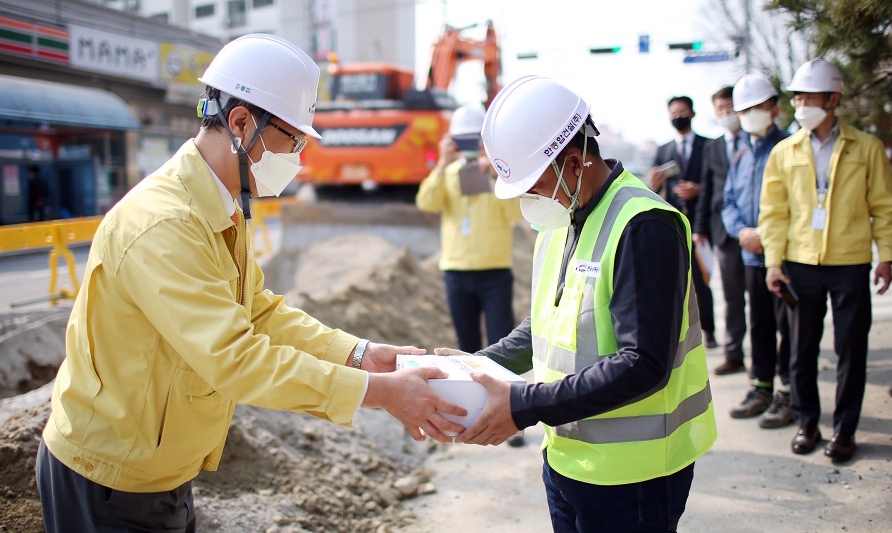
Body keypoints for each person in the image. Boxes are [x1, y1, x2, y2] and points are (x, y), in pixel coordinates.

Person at [35, 34, 466, 532]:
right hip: (107, 478)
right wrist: (379, 392)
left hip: (155, 470)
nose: (299, 157)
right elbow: (235, 359)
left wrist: (361, 354)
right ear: (241, 124)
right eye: (292, 140)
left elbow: (258, 310)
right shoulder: (165, 223)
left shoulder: (218, 205)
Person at [449, 75, 717, 532]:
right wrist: (477, 367)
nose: (529, 200)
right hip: (567, 459)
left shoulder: (644, 225)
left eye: (533, 186)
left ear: (574, 163)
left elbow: (643, 363)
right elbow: (545, 325)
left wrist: (523, 405)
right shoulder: (562, 219)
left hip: (635, 476)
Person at [760, 58, 892, 462]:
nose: (801, 104)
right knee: (801, 349)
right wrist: (773, 262)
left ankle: (845, 431)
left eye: (809, 96)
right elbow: (774, 211)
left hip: (850, 263)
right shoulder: (784, 152)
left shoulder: (866, 147)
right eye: (797, 96)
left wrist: (886, 257)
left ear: (833, 99)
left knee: (852, 347)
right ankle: (807, 422)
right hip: (800, 264)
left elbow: (884, 206)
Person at [415, 103, 522, 354]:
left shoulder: (500, 176)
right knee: (467, 347)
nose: (469, 146)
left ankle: (502, 392)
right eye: (461, 140)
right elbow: (426, 203)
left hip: (495, 271)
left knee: (500, 346)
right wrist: (442, 163)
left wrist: (497, 176)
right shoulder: (448, 174)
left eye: (474, 139)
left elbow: (516, 214)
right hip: (456, 271)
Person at [721, 73, 792, 428]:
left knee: (789, 325)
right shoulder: (741, 153)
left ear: (774, 108)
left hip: (784, 254)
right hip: (751, 252)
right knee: (760, 323)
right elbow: (729, 200)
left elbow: (800, 204)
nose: (750, 114)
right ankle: (761, 386)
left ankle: (790, 392)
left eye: (757, 107)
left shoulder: (791, 147)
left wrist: (770, 234)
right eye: (744, 109)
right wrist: (742, 232)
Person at [647, 96, 718, 349]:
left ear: (692, 113)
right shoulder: (663, 150)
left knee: (702, 279)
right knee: (677, 280)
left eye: (682, 111)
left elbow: (715, 181)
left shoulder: (708, 146)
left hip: (702, 223)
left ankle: (709, 329)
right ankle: (681, 331)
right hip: (675, 224)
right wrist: (654, 183)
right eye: (674, 112)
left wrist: (698, 190)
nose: (678, 116)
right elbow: (654, 189)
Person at [694, 87, 748, 375]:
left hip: (758, 230)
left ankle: (776, 355)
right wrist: (700, 228)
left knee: (766, 296)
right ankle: (734, 351)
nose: (726, 112)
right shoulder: (713, 147)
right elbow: (707, 189)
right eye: (720, 108)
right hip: (724, 233)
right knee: (732, 295)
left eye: (730, 106)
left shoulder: (755, 140)